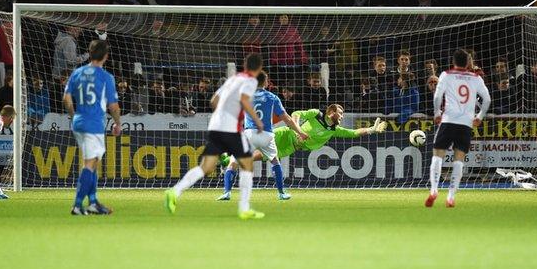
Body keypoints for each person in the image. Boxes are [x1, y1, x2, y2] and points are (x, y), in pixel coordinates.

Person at [164, 53, 265, 220]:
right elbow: (245, 100)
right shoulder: (250, 80)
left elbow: (214, 101)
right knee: (247, 165)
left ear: (245, 65)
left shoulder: (232, 79)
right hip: (231, 129)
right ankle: (244, 208)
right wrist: (257, 121)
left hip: (215, 126)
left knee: (206, 167)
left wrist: (224, 114)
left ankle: (174, 191)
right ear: (259, 68)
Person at [217, 71, 308, 201]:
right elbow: (287, 118)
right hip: (267, 135)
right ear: (266, 82)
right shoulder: (272, 97)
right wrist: (300, 132)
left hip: (249, 134)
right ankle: (282, 193)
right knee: (275, 161)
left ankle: (226, 193)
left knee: (233, 163)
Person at [426, 50, 491, 208]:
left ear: (453, 61)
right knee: (459, 159)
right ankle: (450, 197)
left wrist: (437, 113)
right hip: (466, 124)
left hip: (448, 120)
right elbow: (487, 99)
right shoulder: (476, 78)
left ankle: (434, 190)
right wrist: (479, 117)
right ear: (467, 62)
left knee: (437, 155)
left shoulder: (446, 75)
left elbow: (437, 96)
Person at [63, 40, 121, 215]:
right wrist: (118, 123)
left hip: (79, 122)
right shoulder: (105, 77)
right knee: (90, 164)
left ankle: (93, 202)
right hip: (93, 124)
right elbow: (113, 106)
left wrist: (74, 116)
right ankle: (77, 205)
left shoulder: (77, 72)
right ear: (106, 56)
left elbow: (66, 98)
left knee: (93, 162)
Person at [242, 104, 386, 170]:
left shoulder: (334, 130)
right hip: (287, 133)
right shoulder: (316, 114)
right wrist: (298, 131)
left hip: (291, 147)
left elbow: (353, 133)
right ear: (331, 112)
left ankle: (231, 161)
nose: (342, 116)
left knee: (259, 156)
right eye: (340, 113)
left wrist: (371, 130)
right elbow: (296, 114)